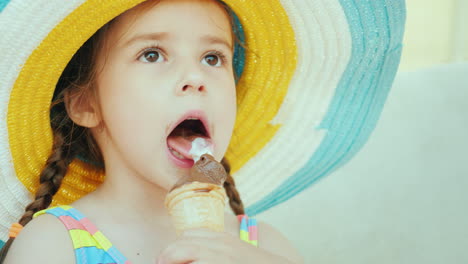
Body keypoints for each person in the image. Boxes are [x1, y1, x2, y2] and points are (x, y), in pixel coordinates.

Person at [0, 0, 406, 263]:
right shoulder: (52, 246)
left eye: (213, 57)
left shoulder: (263, 247)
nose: (195, 76)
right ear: (86, 104)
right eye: (152, 54)